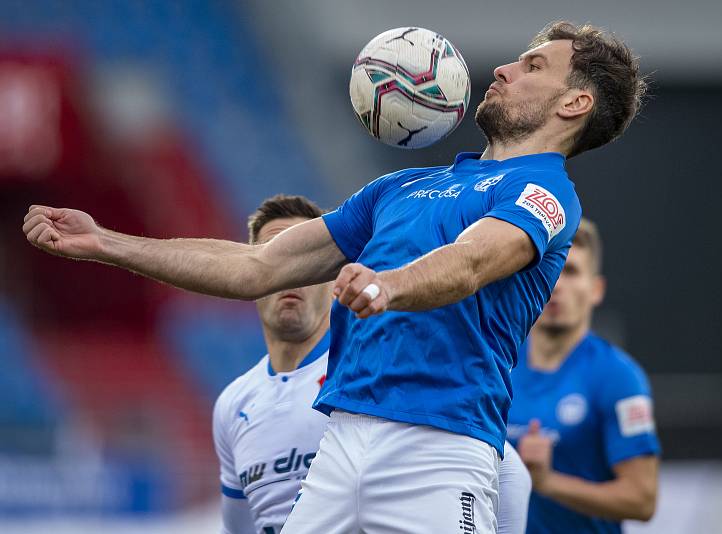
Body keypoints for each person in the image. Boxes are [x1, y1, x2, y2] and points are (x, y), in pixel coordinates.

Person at [22, 21, 645, 533]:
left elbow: (475, 259)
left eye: (533, 66)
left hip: (439, 450)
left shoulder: (544, 191)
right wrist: (107, 242)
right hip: (341, 442)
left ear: (575, 103)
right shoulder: (400, 188)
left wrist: (389, 285)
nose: (506, 69)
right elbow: (257, 266)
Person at [214, 194, 531, 534]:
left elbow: (507, 471)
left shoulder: (370, 370)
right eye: (277, 266)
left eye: (300, 266)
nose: (290, 280)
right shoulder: (234, 404)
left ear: (330, 276)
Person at [509, 218, 660, 533]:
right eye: (549, 268)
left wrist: (549, 482)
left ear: (595, 290)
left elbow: (642, 500)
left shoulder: (619, 378)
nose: (557, 284)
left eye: (571, 271)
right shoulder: (498, 364)